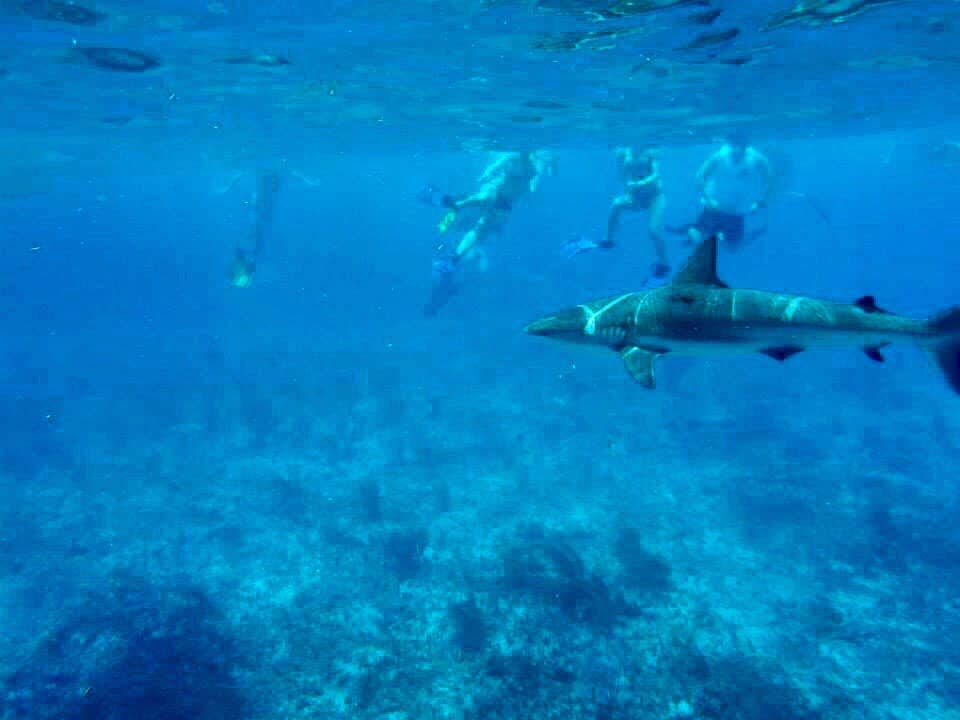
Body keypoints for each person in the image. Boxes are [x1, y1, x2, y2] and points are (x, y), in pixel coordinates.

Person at [423, 150, 555, 316]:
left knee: (482, 229)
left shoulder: (539, 160)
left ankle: (454, 259)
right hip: (497, 190)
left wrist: (536, 183)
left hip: (506, 202)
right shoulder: (523, 155)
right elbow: (505, 162)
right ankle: (453, 205)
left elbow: (536, 178)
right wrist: (489, 173)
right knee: (483, 204)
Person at [563, 146, 670, 279]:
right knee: (616, 204)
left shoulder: (651, 151)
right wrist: (620, 161)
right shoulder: (625, 151)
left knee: (653, 230)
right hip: (635, 196)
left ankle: (664, 263)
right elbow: (621, 177)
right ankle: (608, 240)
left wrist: (640, 183)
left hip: (655, 197)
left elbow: (656, 174)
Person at [678, 132, 774, 249]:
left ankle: (716, 233)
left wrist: (760, 202)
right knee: (697, 238)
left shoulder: (757, 158)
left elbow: (770, 180)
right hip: (714, 206)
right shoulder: (719, 156)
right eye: (734, 146)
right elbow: (699, 177)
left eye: (741, 147)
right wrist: (708, 200)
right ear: (729, 145)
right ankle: (695, 230)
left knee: (733, 246)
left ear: (746, 146)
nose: (737, 151)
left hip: (736, 209)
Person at [229, 169, 282, 288]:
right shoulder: (251, 257)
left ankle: (265, 178)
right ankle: (267, 178)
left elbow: (251, 238)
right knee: (264, 203)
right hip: (259, 223)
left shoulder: (246, 255)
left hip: (257, 222)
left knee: (262, 204)